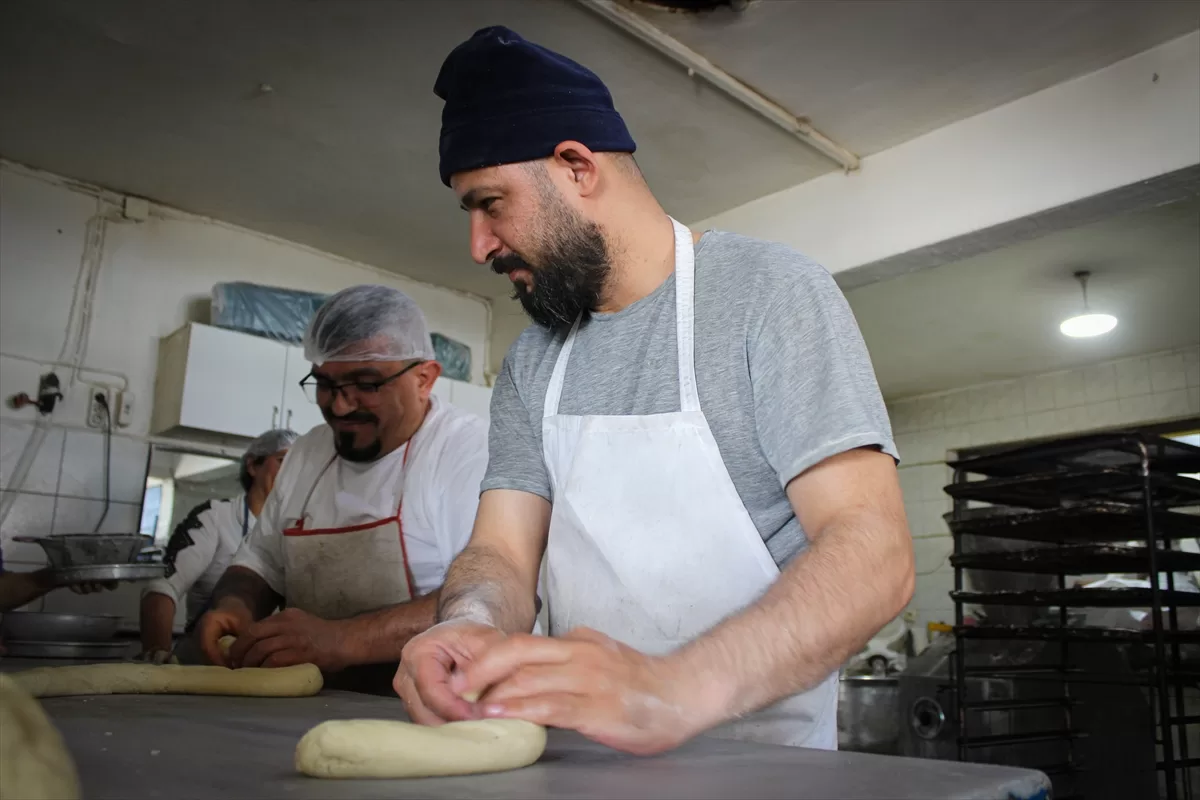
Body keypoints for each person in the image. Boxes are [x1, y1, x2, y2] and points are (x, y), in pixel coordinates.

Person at [395, 26, 914, 754]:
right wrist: (467, 625)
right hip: (575, 765)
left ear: (577, 166)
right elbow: (503, 554)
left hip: (766, 770)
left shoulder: (767, 295)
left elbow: (873, 551)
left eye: (491, 204)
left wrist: (672, 688)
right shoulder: (533, 362)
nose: (479, 245)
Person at [194, 284, 489, 694]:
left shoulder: (468, 451)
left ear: (424, 378)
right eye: (325, 384)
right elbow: (260, 562)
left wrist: (341, 640)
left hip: (433, 703)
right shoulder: (306, 453)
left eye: (366, 384)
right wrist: (236, 606)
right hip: (311, 701)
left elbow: (485, 597)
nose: (340, 406)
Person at [136, 429, 297, 664]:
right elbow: (162, 588)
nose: (291, 473)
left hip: (263, 667)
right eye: (283, 461)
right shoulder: (215, 517)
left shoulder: (297, 529)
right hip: (202, 665)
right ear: (253, 466)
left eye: (297, 466)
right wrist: (157, 654)